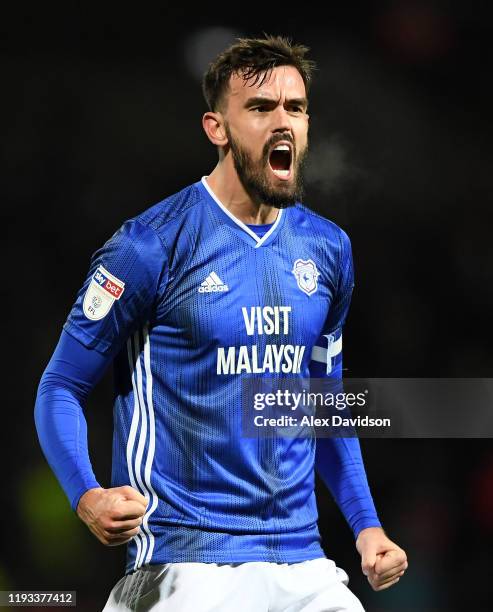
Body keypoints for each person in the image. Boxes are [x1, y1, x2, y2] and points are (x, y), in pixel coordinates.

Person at [35, 35, 407, 611]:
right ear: (217, 128)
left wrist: (367, 527)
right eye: (261, 109)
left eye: (296, 108)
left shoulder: (328, 249)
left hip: (302, 563)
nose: (283, 122)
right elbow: (60, 386)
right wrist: (87, 497)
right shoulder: (149, 246)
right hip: (185, 560)